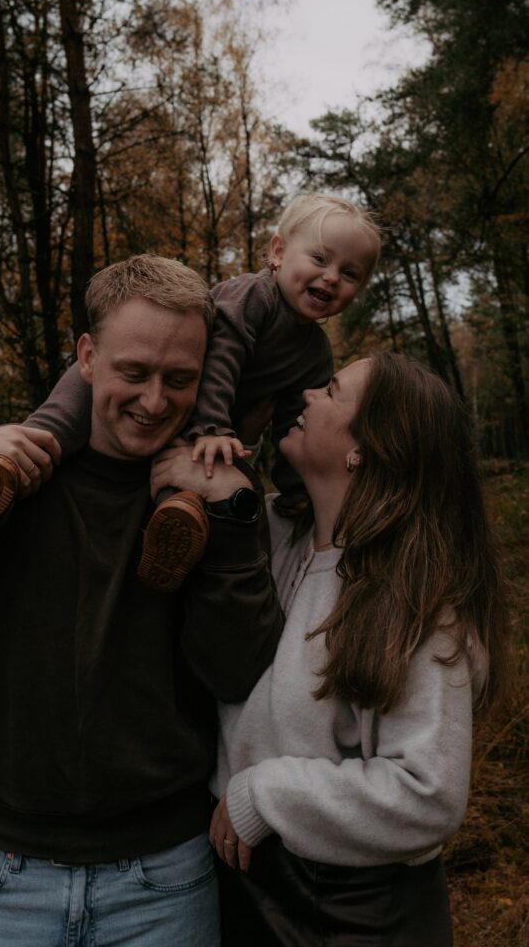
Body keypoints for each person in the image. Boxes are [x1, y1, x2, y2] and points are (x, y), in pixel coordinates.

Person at [0, 255, 284, 947]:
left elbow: (237, 672)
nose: (154, 402)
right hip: (3, 877)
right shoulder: (7, 480)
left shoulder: (207, 495)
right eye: (134, 372)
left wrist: (232, 521)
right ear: (86, 357)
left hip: (164, 876)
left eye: (179, 380)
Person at [162, 351, 510, 946]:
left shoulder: (416, 602)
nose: (308, 396)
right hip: (250, 889)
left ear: (365, 449)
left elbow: (429, 795)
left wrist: (265, 793)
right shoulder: (274, 539)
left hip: (358, 913)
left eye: (330, 391)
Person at [0, 194, 381, 593]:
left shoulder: (315, 354)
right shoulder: (252, 296)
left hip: (195, 423)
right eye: (319, 258)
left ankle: (174, 528)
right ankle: (7, 471)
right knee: (59, 422)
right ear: (278, 252)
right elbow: (221, 358)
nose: (331, 277)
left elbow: (293, 424)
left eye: (349, 273)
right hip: (188, 405)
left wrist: (296, 491)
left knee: (194, 480)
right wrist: (213, 427)